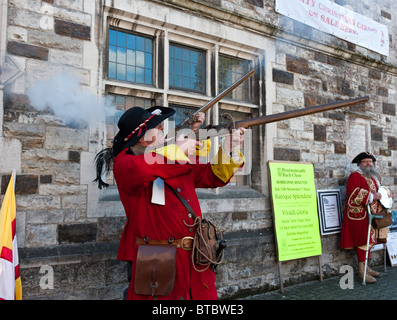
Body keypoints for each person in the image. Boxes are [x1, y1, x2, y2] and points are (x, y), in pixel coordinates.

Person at [94, 106, 245, 300]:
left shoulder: (170, 159)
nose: (161, 130)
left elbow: (212, 177)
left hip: (194, 257)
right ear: (140, 136)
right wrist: (177, 149)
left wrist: (228, 147)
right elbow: (144, 170)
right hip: (156, 258)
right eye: (156, 128)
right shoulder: (126, 163)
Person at [340, 152, 392, 284]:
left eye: (370, 161)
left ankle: (367, 268)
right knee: (364, 241)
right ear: (359, 164)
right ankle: (361, 272)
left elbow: (380, 191)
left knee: (370, 242)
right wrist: (371, 196)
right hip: (360, 214)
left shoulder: (374, 177)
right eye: (365, 162)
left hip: (373, 214)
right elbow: (352, 192)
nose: (368, 164)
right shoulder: (355, 176)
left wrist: (387, 194)